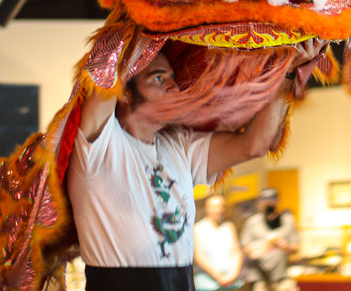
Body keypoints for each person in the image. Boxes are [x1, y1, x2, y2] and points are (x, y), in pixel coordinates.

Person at [67, 42, 323, 291]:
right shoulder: (102, 144)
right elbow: (104, 75)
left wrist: (287, 72)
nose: (173, 85)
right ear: (124, 92)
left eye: (172, 76)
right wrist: (152, 18)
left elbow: (254, 145)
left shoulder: (178, 145)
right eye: (158, 78)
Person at [241, 187, 301, 291]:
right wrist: (263, 247)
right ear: (260, 202)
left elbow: (296, 248)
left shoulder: (288, 220)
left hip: (283, 278)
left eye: (272, 199)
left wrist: (287, 247)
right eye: (265, 199)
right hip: (261, 280)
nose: (269, 203)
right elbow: (245, 250)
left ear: (277, 201)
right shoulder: (252, 222)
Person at [194, 195, 243, 291]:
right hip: (207, 285)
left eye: (221, 206)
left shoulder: (229, 227)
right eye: (215, 207)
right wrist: (220, 277)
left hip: (231, 284)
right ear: (207, 208)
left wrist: (233, 275)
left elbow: (237, 253)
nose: (218, 210)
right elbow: (199, 257)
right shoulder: (198, 228)